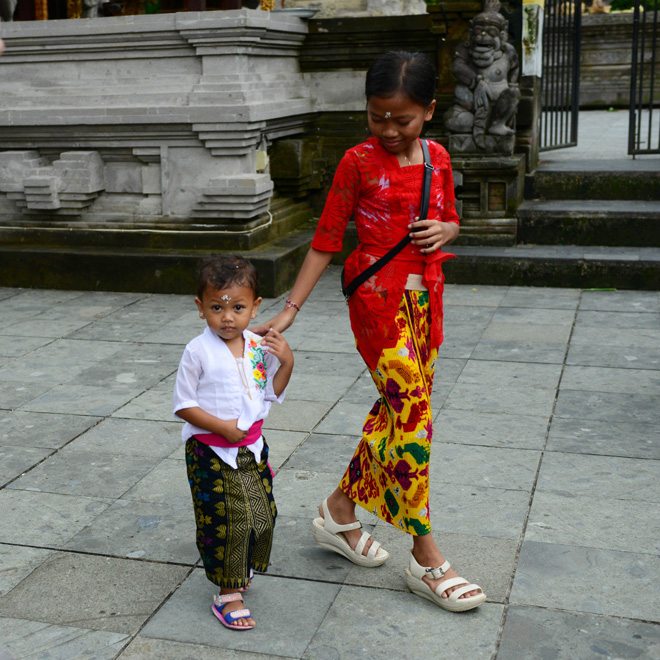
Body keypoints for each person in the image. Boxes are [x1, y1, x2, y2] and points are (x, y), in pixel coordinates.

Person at [252, 51, 486, 612]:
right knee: (412, 416)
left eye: (400, 119)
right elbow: (327, 239)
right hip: (376, 302)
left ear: (428, 112)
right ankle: (425, 553)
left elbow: (452, 219)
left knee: (397, 411)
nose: (386, 129)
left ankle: (338, 512)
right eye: (376, 116)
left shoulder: (439, 159)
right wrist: (290, 310)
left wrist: (448, 227)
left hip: (425, 301)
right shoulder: (357, 163)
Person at [173, 255, 294, 630]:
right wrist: (221, 428)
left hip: (252, 449)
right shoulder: (198, 351)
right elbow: (183, 405)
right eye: (217, 307)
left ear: (255, 307)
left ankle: (240, 567)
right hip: (210, 450)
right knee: (227, 520)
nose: (228, 317)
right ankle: (227, 592)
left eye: (238, 307)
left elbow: (267, 393)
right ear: (200, 308)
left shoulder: (257, 346)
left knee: (262, 514)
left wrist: (287, 363)